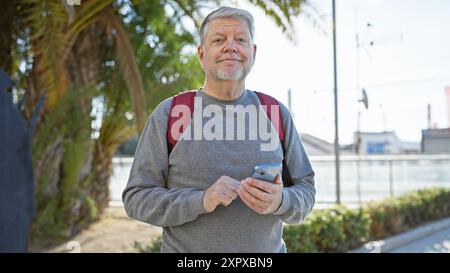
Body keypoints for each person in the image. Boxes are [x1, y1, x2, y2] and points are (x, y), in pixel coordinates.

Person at [122, 6, 315, 253]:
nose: (230, 46)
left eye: (241, 40)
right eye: (219, 40)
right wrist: (200, 200)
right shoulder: (171, 113)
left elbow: (306, 189)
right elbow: (136, 199)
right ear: (202, 54)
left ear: (252, 52)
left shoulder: (275, 112)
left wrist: (281, 200)